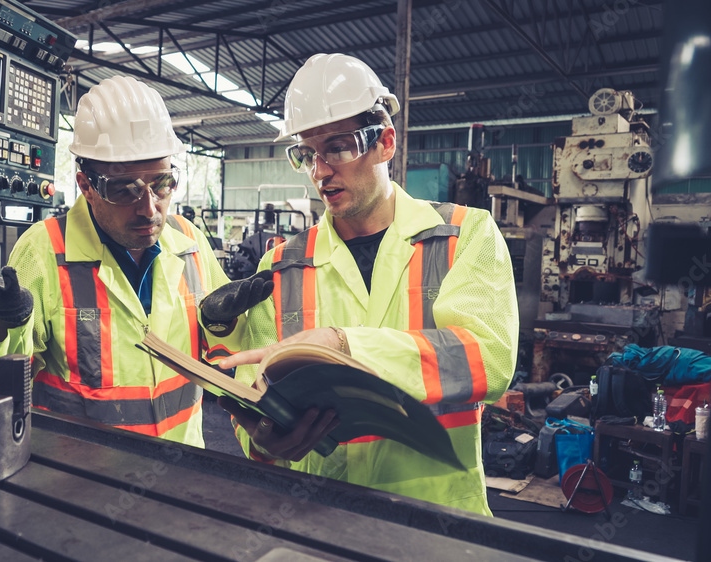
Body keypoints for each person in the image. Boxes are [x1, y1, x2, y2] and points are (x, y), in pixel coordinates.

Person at [215, 53, 519, 515]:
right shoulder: (281, 264)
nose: (320, 171)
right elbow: (254, 394)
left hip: (436, 521)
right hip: (316, 515)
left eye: (337, 147)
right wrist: (264, 440)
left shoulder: (465, 235)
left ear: (386, 143)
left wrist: (344, 347)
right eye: (308, 154)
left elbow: (489, 360)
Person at [0, 75, 272, 448]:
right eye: (123, 188)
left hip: (182, 473)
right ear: (85, 185)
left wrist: (221, 324)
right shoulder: (45, 250)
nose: (149, 208)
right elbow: (3, 384)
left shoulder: (190, 243)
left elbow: (224, 357)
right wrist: (6, 323)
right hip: (82, 479)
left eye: (161, 183)